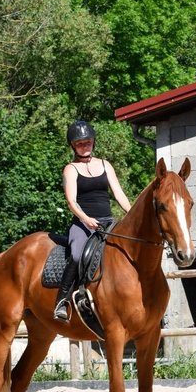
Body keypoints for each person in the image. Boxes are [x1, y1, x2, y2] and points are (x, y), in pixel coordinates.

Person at [54, 120, 133, 322]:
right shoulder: (70, 169)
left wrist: (131, 213)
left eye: (88, 142)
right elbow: (71, 201)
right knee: (78, 255)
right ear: (73, 146)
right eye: (80, 143)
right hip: (83, 223)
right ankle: (62, 300)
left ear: (93, 142)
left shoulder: (105, 165)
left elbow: (119, 194)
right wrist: (86, 219)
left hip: (108, 221)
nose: (84, 146)